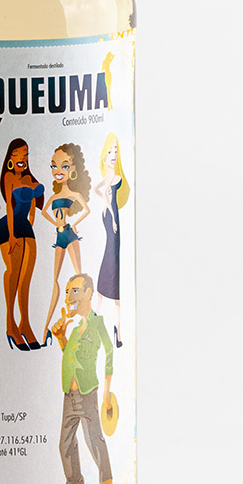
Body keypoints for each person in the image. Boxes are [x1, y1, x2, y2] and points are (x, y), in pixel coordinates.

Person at [48, 273, 113, 484]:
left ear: (88, 293)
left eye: (74, 291)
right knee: (65, 442)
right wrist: (61, 338)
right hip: (70, 391)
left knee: (93, 437)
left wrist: (107, 392)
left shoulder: (97, 324)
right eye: (67, 292)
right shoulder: (75, 330)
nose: (68, 297)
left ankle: (106, 481)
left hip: (87, 391)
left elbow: (109, 353)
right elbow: (70, 355)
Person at [0, 138, 44, 351]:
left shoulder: (29, 179)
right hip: (8, 227)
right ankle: (10, 324)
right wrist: (13, 235)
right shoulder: (9, 177)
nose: (23, 158)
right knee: (13, 272)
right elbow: (9, 206)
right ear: (11, 158)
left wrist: (31, 224)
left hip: (25, 227)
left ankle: (25, 324)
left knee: (26, 278)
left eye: (26, 154)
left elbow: (32, 208)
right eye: (18, 154)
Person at [40, 143, 91, 344]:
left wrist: (74, 225)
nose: (58, 171)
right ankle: (45, 327)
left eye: (64, 166)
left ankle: (87, 326)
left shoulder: (74, 195)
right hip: (60, 236)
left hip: (69, 234)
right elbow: (44, 212)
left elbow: (87, 210)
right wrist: (56, 225)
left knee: (80, 278)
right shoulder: (54, 196)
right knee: (55, 280)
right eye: (54, 166)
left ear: (73, 170)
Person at [92, 133, 130, 347]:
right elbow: (104, 192)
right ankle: (116, 328)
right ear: (104, 156)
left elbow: (99, 190)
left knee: (112, 256)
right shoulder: (110, 173)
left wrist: (109, 208)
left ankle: (109, 321)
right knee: (112, 257)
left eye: (115, 150)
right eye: (110, 151)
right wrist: (112, 215)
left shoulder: (113, 172)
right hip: (112, 219)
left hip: (112, 216)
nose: (113, 154)